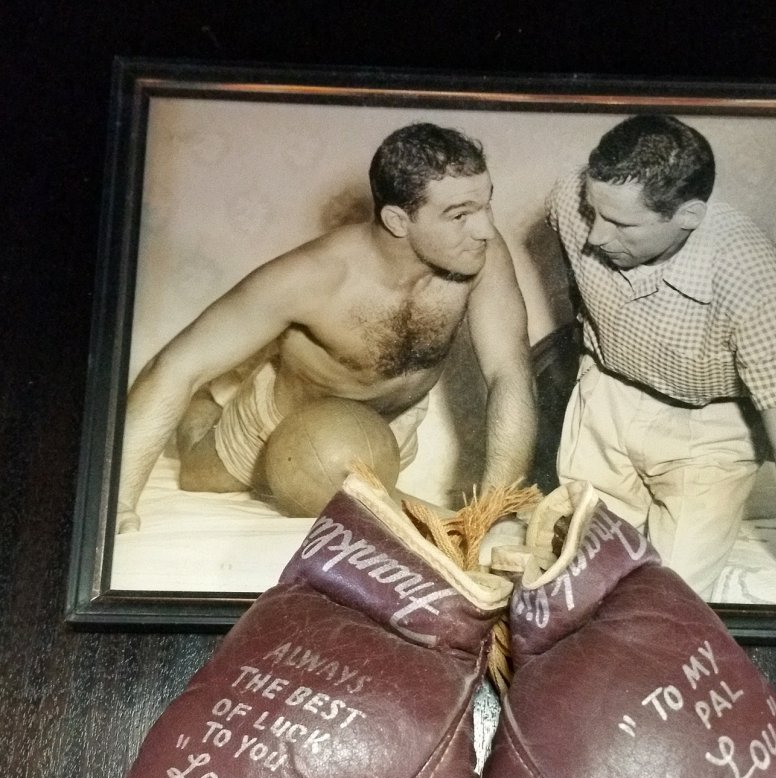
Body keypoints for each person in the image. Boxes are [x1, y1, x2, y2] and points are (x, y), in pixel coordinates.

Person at [117, 122, 536, 531]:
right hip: (280, 421)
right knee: (198, 473)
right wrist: (118, 504)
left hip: (390, 423)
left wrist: (496, 514)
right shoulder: (311, 277)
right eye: (460, 215)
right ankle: (208, 407)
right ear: (397, 221)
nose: (484, 229)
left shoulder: (478, 253)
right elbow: (173, 366)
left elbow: (509, 372)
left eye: (486, 205)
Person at [547, 113, 776, 600]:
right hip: (607, 396)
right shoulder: (571, 199)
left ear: (688, 216)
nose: (596, 237)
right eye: (594, 211)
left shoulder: (748, 274)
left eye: (622, 224)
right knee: (573, 580)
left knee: (668, 604)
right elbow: (578, 282)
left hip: (708, 428)